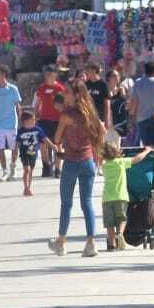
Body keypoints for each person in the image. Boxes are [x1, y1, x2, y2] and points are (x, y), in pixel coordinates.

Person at [50, 81, 105, 257]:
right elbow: (102, 130)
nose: (65, 95)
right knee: (87, 202)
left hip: (71, 161)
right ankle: (91, 243)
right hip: (88, 160)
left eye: (67, 92)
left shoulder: (67, 115)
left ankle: (61, 242)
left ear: (75, 95)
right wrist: (96, 150)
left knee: (66, 203)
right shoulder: (90, 113)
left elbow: (57, 138)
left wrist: (64, 136)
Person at [100, 141, 154, 251]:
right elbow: (136, 159)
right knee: (122, 219)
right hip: (121, 197)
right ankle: (120, 234)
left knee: (109, 224)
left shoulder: (104, 165)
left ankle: (111, 244)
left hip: (107, 198)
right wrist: (147, 151)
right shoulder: (121, 162)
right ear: (117, 152)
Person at [0, 66, 23, 181]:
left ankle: (13, 168)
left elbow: (18, 106)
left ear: (4, 75)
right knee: (0, 148)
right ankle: (4, 171)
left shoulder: (13, 89)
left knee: (14, 148)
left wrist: (20, 120)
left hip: (12, 123)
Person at [34, 66, 68, 178]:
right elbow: (38, 103)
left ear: (55, 75)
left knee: (58, 143)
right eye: (46, 74)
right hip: (44, 119)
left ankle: (58, 169)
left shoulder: (60, 88)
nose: (48, 76)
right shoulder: (42, 88)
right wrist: (35, 117)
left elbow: (65, 104)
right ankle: (46, 166)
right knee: (43, 143)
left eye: (50, 74)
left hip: (58, 120)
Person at [130, 62, 154, 148]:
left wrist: (132, 116)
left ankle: (149, 160)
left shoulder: (138, 83)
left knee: (146, 145)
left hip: (142, 118)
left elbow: (134, 101)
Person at [15, 109, 49, 197]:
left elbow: (45, 139)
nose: (34, 122)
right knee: (27, 169)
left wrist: (53, 146)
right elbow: (17, 143)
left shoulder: (37, 129)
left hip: (33, 153)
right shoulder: (21, 131)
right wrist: (15, 153)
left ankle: (28, 187)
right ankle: (26, 187)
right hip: (24, 152)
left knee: (31, 171)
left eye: (34, 120)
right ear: (25, 122)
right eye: (31, 120)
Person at [84, 62, 113, 132]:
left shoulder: (103, 85)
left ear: (94, 70)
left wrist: (107, 120)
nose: (86, 72)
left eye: (88, 70)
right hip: (87, 118)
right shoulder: (85, 85)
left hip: (99, 118)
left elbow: (107, 104)